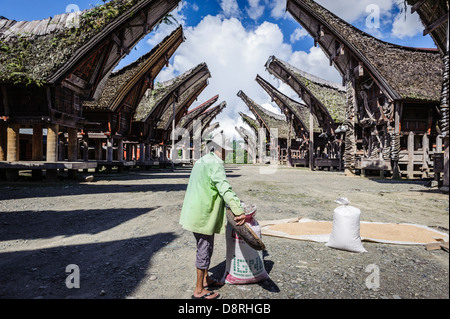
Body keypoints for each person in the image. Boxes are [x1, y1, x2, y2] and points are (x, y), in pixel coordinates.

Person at [179, 134, 245, 299]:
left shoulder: (202, 160)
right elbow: (224, 188)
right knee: (204, 249)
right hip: (203, 214)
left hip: (193, 210)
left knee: (203, 246)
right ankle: (199, 290)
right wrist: (238, 210)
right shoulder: (215, 164)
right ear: (221, 148)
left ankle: (206, 279)